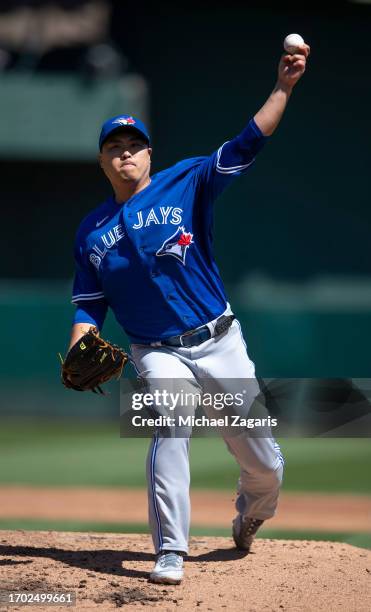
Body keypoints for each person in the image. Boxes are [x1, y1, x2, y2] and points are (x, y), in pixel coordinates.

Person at [68, 43, 310, 584]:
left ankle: (251, 511)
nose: (125, 153)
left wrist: (283, 87)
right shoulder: (91, 232)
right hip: (156, 351)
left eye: (134, 145)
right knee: (171, 424)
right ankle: (170, 550)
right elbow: (88, 303)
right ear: (103, 159)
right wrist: (79, 344)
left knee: (266, 466)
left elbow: (249, 142)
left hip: (219, 340)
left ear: (150, 154)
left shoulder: (187, 180)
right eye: (115, 147)